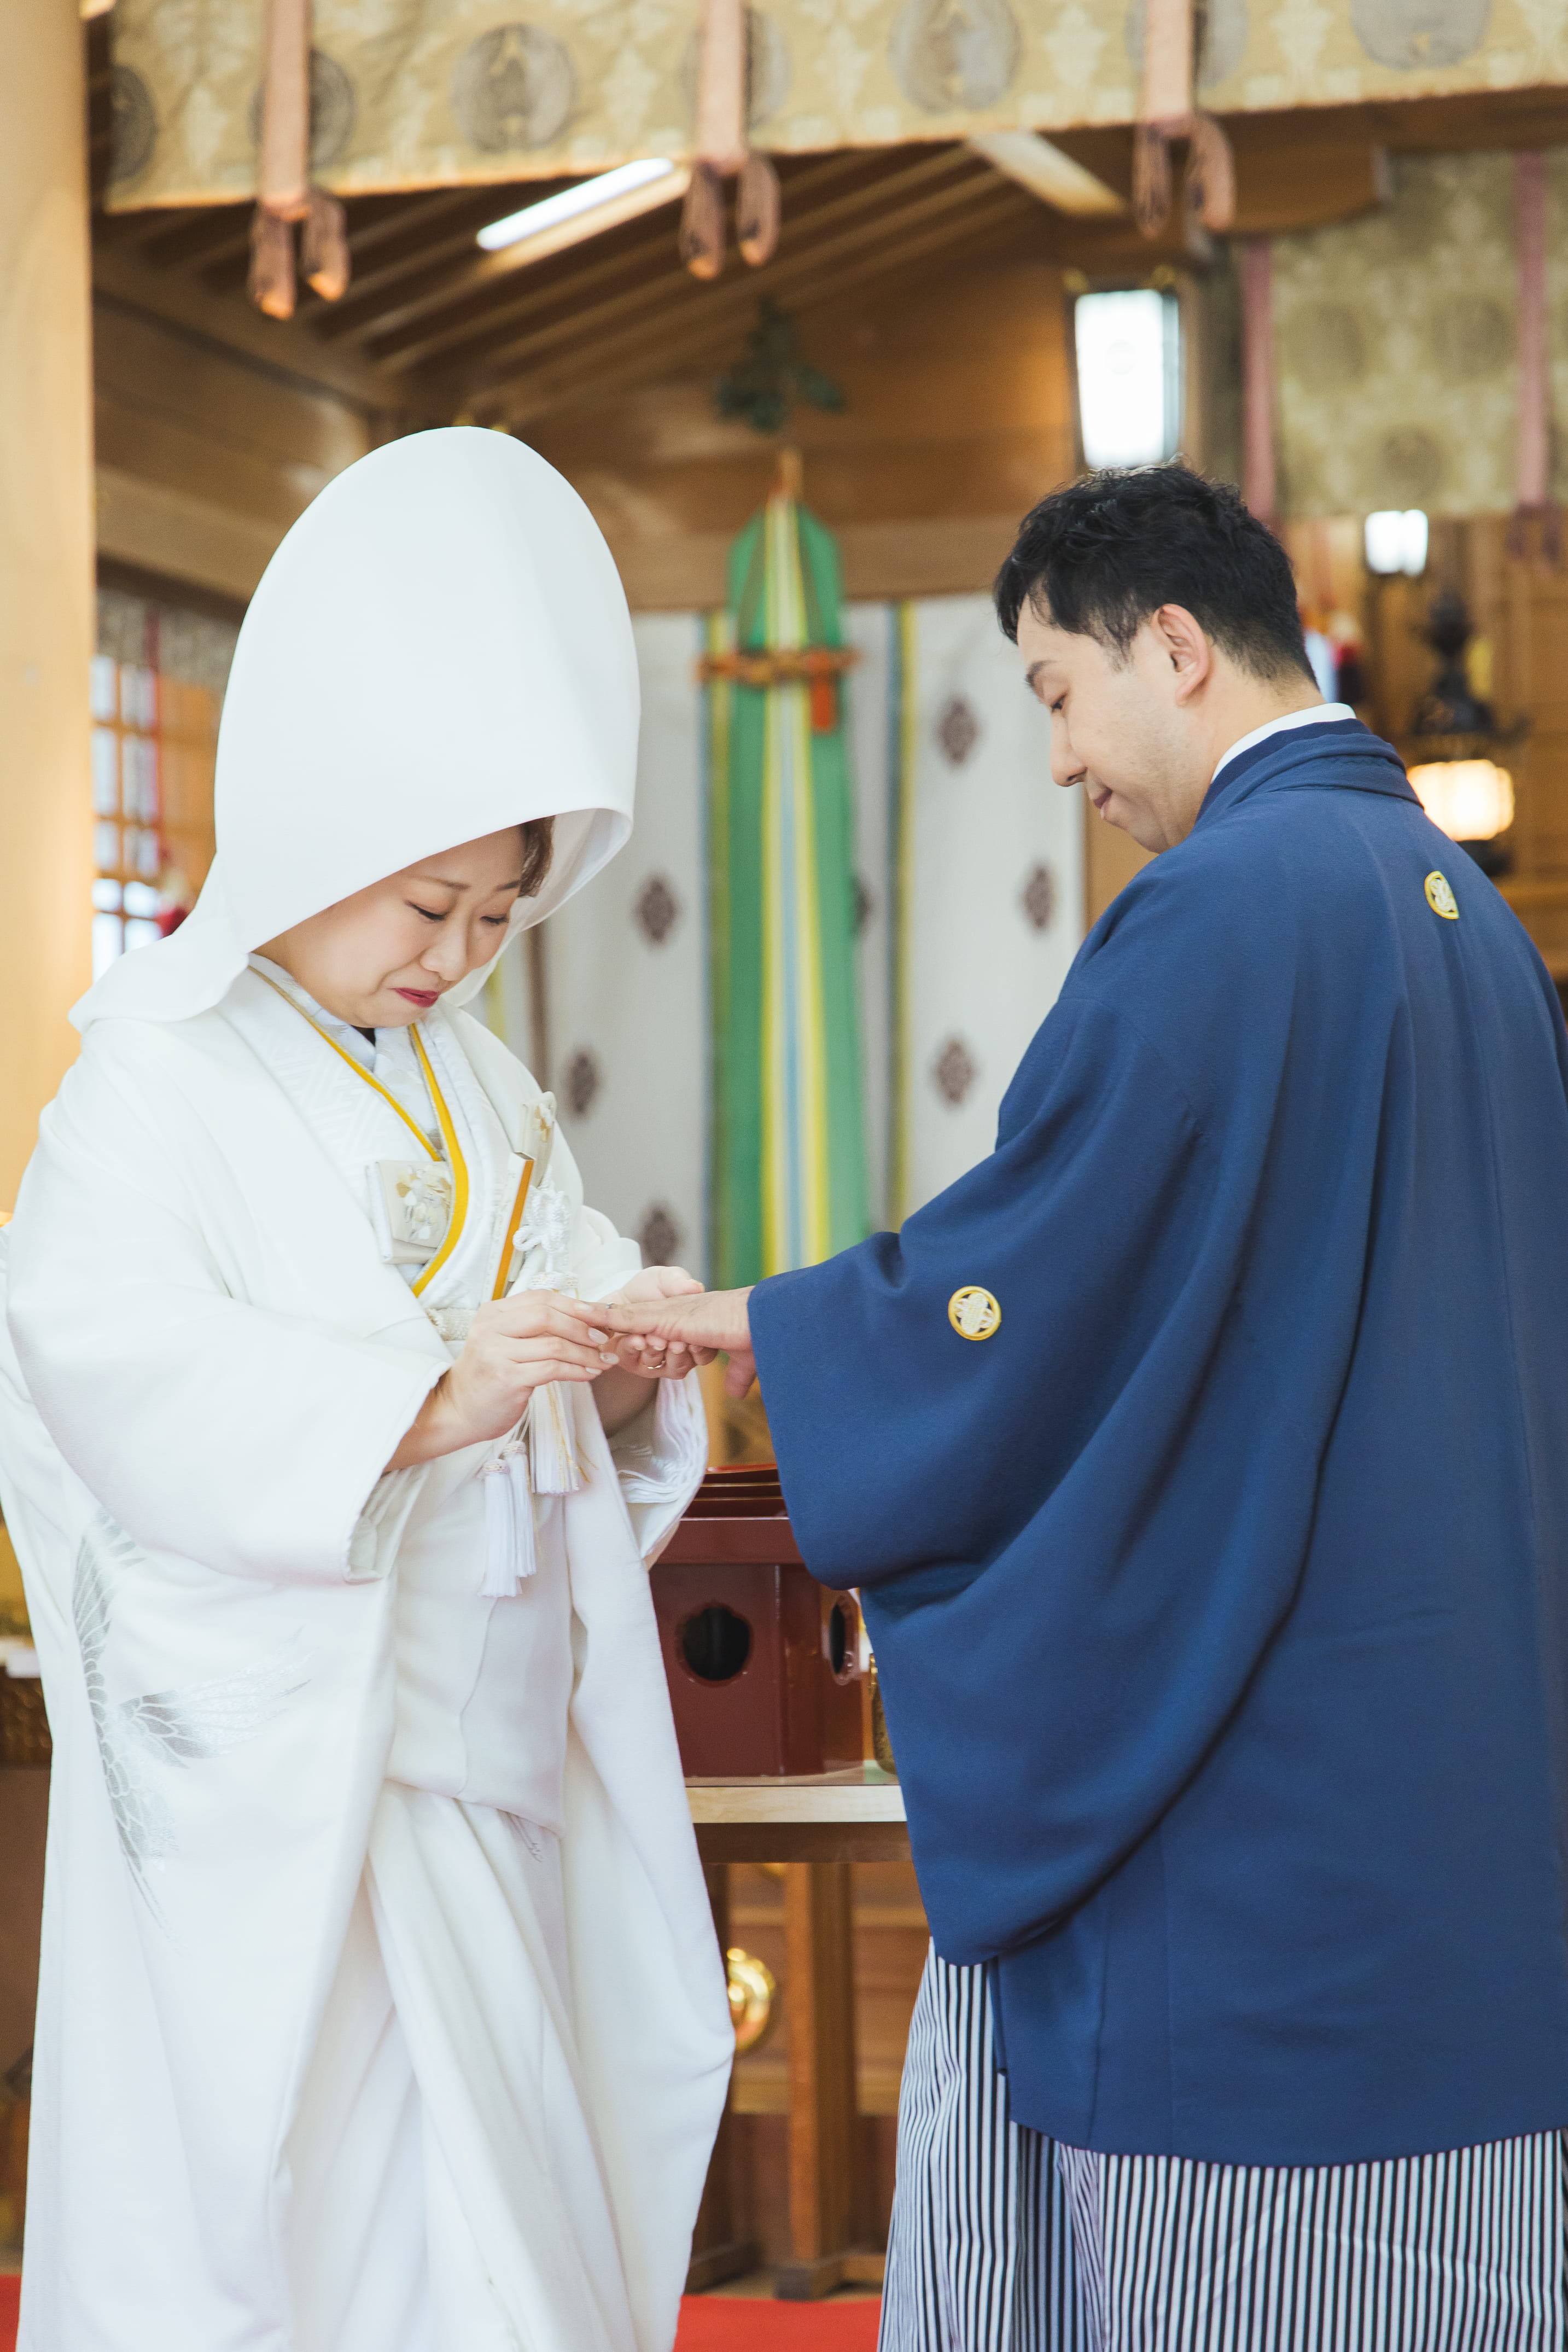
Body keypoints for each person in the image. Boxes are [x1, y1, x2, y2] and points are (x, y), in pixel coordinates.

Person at [604, 464, 1568, 2350]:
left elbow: (1041, 1282)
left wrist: (770, 1325)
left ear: (1176, 648)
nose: (1058, 757)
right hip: (1462, 1801)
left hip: (1263, 1829)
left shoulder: (1221, 909)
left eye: (1056, 691)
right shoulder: (1472, 918)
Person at [0, 429, 733, 2352]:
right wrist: (430, 1400)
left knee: (504, 2247)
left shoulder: (480, 1083)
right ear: (315, 838)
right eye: (426, 903)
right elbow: (107, 1359)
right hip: (296, 1783)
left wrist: (627, 1362)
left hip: (476, 1757)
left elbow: (556, 1304)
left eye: (497, 914)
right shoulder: (151, 1077)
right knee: (332, 2256)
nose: (457, 954)